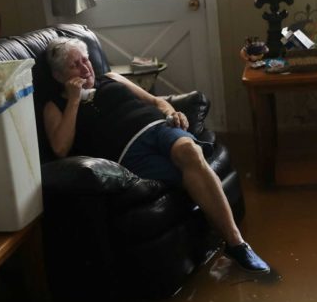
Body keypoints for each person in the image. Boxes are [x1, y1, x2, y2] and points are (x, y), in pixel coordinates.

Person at [43, 37, 270, 274]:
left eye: (86, 60)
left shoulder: (111, 78)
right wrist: (74, 99)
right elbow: (60, 148)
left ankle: (237, 244)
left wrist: (173, 113)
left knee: (190, 152)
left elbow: (155, 101)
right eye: (74, 65)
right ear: (59, 76)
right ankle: (228, 241)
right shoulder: (55, 105)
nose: (85, 68)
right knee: (187, 176)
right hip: (129, 153)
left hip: (159, 128)